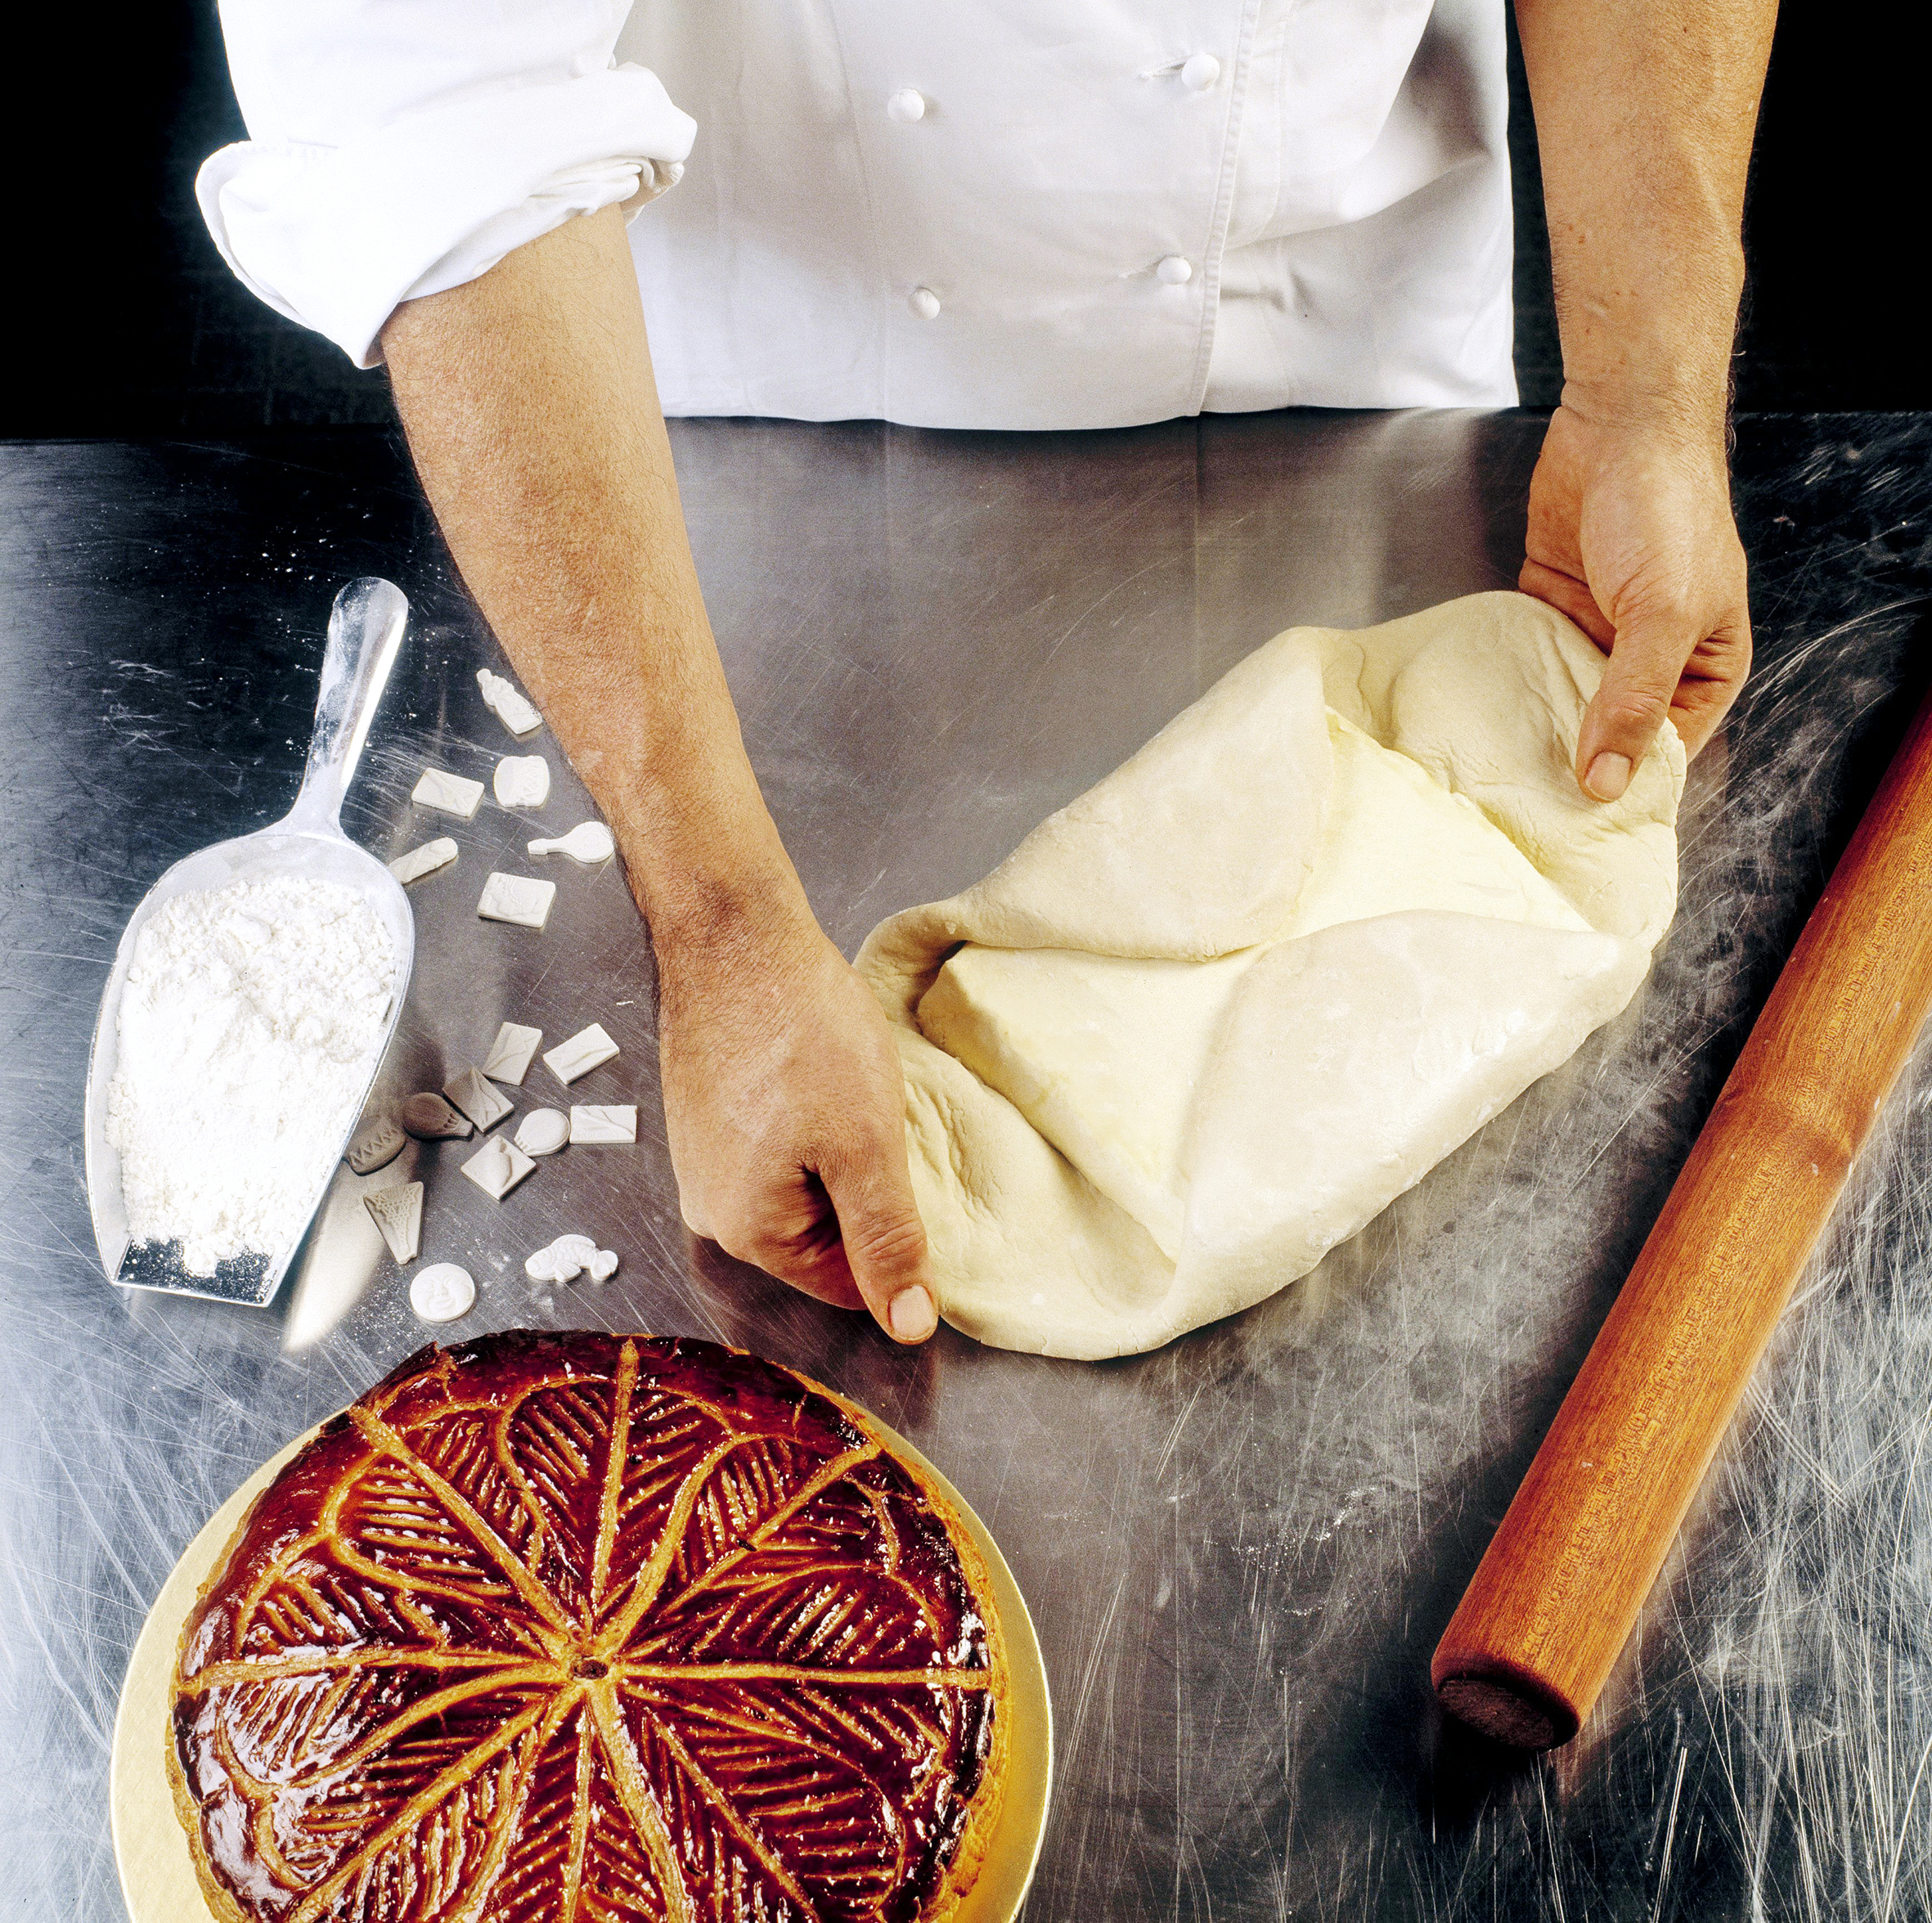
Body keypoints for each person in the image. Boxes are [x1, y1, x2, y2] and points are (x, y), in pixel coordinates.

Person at [198, 0, 1772, 1346]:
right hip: (717, 414)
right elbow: (445, 111)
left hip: (1336, 334)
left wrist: (1646, 396)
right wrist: (723, 919)